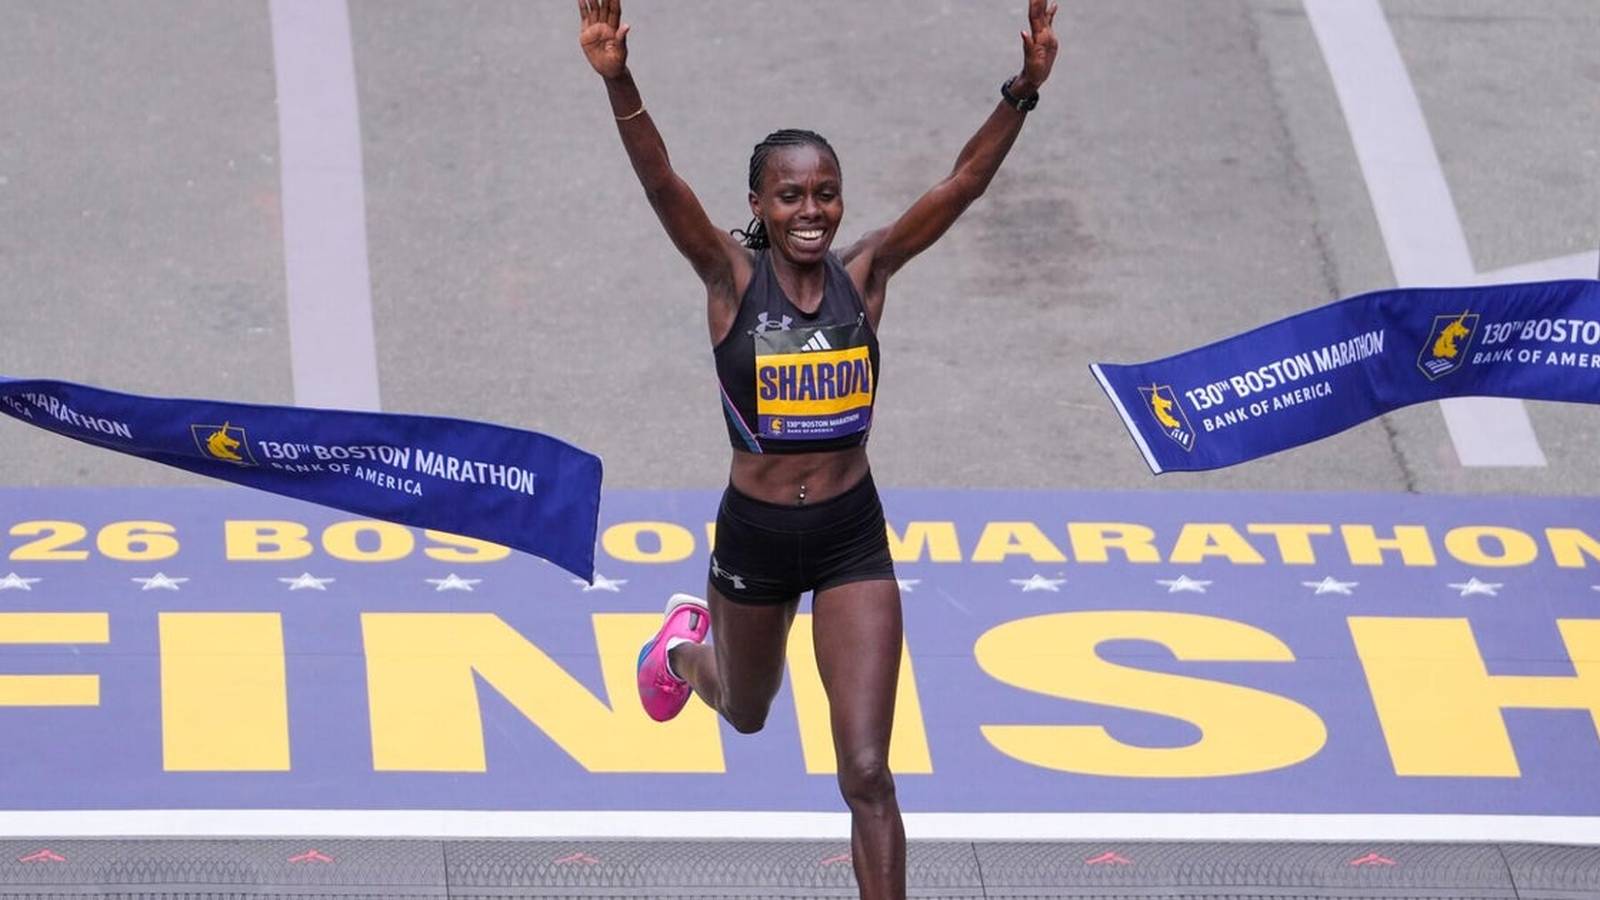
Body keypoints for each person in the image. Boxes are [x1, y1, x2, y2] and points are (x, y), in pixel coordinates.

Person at [578, 2, 1058, 897]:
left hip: (849, 539)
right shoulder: (730, 279)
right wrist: (619, 79)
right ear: (759, 206)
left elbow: (961, 184)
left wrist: (1021, 92)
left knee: (867, 770)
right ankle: (681, 651)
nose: (811, 211)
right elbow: (661, 183)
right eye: (791, 195)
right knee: (746, 712)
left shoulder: (866, 275)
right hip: (755, 539)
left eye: (825, 193)